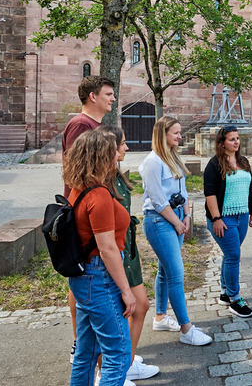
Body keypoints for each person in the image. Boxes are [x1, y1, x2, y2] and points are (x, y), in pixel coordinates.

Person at [64, 129, 135, 386]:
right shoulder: (99, 196)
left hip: (84, 280)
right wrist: (126, 291)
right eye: (111, 152)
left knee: (86, 354)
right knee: (118, 355)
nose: (117, 155)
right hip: (100, 279)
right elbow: (107, 249)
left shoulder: (79, 188)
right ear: (100, 157)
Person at [139, 116, 212, 345]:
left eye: (180, 132)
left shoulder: (172, 156)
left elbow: (184, 191)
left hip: (177, 218)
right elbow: (158, 201)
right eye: (176, 133)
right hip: (160, 222)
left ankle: (160, 317)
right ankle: (186, 329)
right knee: (176, 274)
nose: (180, 136)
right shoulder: (153, 162)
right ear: (163, 134)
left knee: (165, 271)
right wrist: (178, 222)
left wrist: (187, 215)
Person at [98, 125, 161, 381]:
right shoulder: (103, 181)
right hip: (116, 253)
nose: (126, 147)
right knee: (119, 314)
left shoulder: (117, 174)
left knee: (142, 305)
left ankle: (127, 362)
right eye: (122, 144)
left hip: (129, 250)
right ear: (110, 148)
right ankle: (110, 371)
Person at [62, 75, 116, 364]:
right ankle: (79, 344)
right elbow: (77, 170)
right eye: (108, 93)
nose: (113, 98)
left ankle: (93, 349)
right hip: (85, 212)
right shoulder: (80, 125)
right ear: (92, 96)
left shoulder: (97, 126)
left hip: (97, 207)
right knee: (82, 275)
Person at [203, 125, 252, 318]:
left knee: (230, 254)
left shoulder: (244, 162)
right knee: (234, 255)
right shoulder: (214, 164)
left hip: (242, 216)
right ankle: (235, 300)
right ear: (222, 143)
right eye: (231, 139)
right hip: (223, 218)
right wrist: (216, 218)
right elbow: (209, 194)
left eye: (237, 138)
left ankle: (225, 292)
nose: (236, 142)